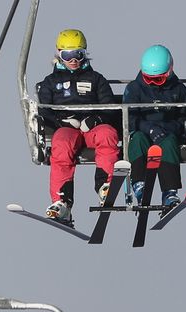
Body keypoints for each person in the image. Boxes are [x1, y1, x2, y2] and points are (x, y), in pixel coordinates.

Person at [35, 28, 120, 223]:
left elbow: (109, 106)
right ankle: (62, 200)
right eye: (68, 55)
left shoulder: (96, 79)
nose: (73, 60)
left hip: (92, 128)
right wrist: (61, 121)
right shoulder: (50, 82)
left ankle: (105, 186)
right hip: (66, 128)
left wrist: (96, 119)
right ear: (59, 54)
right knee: (62, 144)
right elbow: (44, 109)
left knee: (107, 134)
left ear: (85, 54)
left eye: (78, 55)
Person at [122, 44, 186, 210]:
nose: (153, 83)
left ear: (169, 72)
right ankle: (139, 184)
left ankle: (169, 191)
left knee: (169, 143)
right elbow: (129, 117)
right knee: (137, 140)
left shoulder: (178, 90)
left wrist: (169, 129)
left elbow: (185, 117)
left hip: (166, 133)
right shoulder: (134, 89)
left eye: (158, 79)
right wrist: (149, 128)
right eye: (149, 79)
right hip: (143, 131)